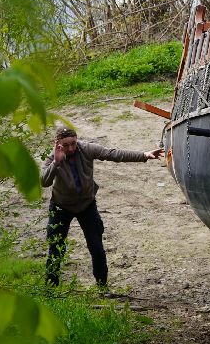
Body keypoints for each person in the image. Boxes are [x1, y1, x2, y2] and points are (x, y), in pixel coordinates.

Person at [40, 124, 163, 290]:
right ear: (58, 143)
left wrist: (143, 155)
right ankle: (50, 289)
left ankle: (102, 287)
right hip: (61, 207)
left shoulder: (86, 149)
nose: (71, 148)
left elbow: (112, 154)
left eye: (73, 143)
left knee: (96, 246)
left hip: (86, 205)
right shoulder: (52, 157)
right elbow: (44, 181)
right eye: (66, 145)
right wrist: (56, 163)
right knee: (56, 248)